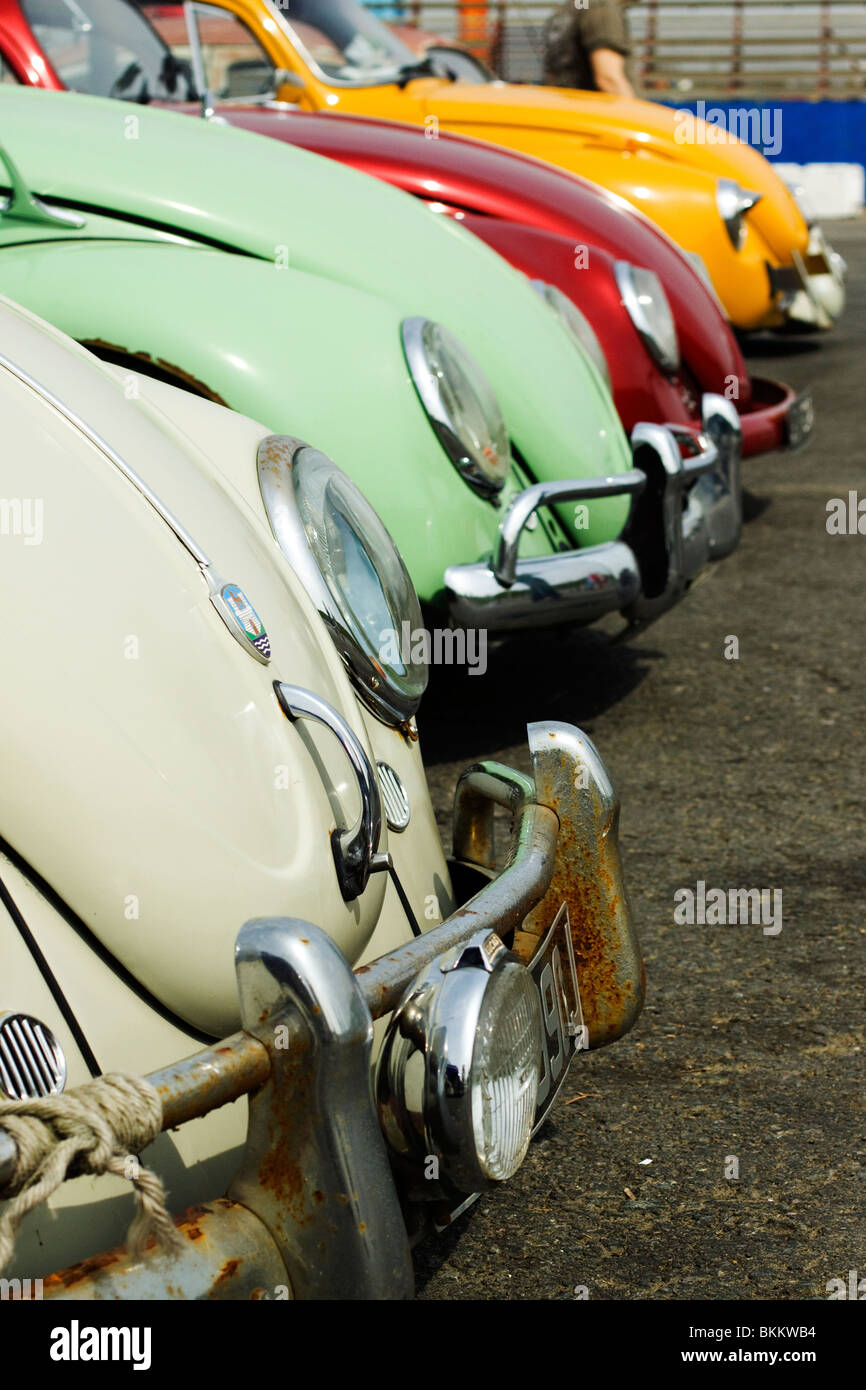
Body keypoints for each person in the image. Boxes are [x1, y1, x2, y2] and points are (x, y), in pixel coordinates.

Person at [543, 0, 635, 97]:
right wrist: (634, 111)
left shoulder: (565, 13)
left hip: (568, 105)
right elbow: (609, 79)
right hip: (598, 108)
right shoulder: (601, 7)